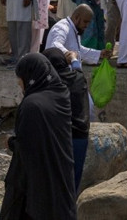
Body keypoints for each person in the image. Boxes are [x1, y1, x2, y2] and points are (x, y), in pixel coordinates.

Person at [0, 53, 77, 220]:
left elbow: (28, 151)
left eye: (20, 79)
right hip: (61, 174)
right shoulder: (61, 94)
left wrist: (11, 142)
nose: (19, 84)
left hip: (39, 185)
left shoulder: (31, 105)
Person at [42, 48, 90, 190]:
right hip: (80, 136)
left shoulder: (49, 83)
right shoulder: (78, 78)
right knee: (74, 179)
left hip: (59, 137)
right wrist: (74, 59)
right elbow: (78, 70)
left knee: (55, 180)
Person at [46, 4, 111, 67]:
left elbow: (78, 50)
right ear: (76, 17)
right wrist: (69, 55)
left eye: (88, 23)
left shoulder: (74, 28)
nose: (87, 26)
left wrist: (99, 54)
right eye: (85, 22)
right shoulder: (62, 27)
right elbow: (55, 45)